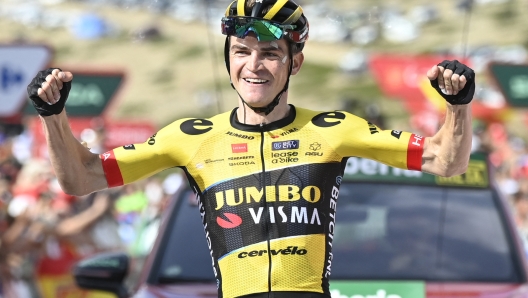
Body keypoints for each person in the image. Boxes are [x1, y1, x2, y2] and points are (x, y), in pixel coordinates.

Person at [26, 0, 475, 297]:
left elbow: (446, 161)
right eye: (242, 51)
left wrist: (457, 106)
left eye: (270, 53)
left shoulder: (333, 129)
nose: (253, 66)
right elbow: (81, 178)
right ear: (228, 57)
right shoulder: (190, 136)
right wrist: (54, 116)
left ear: (295, 62)